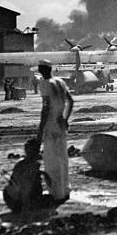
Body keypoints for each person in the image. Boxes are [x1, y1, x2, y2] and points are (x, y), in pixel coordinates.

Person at [36, 59, 73, 205]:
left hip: (51, 125)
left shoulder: (44, 84)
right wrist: (65, 118)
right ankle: (65, 190)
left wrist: (40, 130)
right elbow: (71, 101)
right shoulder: (60, 82)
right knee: (62, 158)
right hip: (60, 125)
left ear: (42, 69)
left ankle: (56, 193)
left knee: (51, 160)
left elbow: (45, 109)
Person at [3, 139, 54, 213]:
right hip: (22, 201)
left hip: (13, 201)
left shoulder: (20, 164)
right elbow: (26, 187)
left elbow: (12, 183)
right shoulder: (32, 166)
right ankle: (29, 205)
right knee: (50, 199)